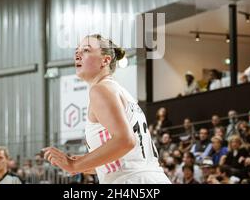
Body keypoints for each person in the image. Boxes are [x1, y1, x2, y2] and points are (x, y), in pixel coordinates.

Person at [43, 34, 171, 184]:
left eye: (86, 50)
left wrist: (74, 165)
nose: (77, 54)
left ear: (105, 60)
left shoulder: (100, 90)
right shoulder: (118, 90)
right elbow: (128, 158)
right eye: (77, 50)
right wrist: (86, 164)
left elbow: (125, 141)